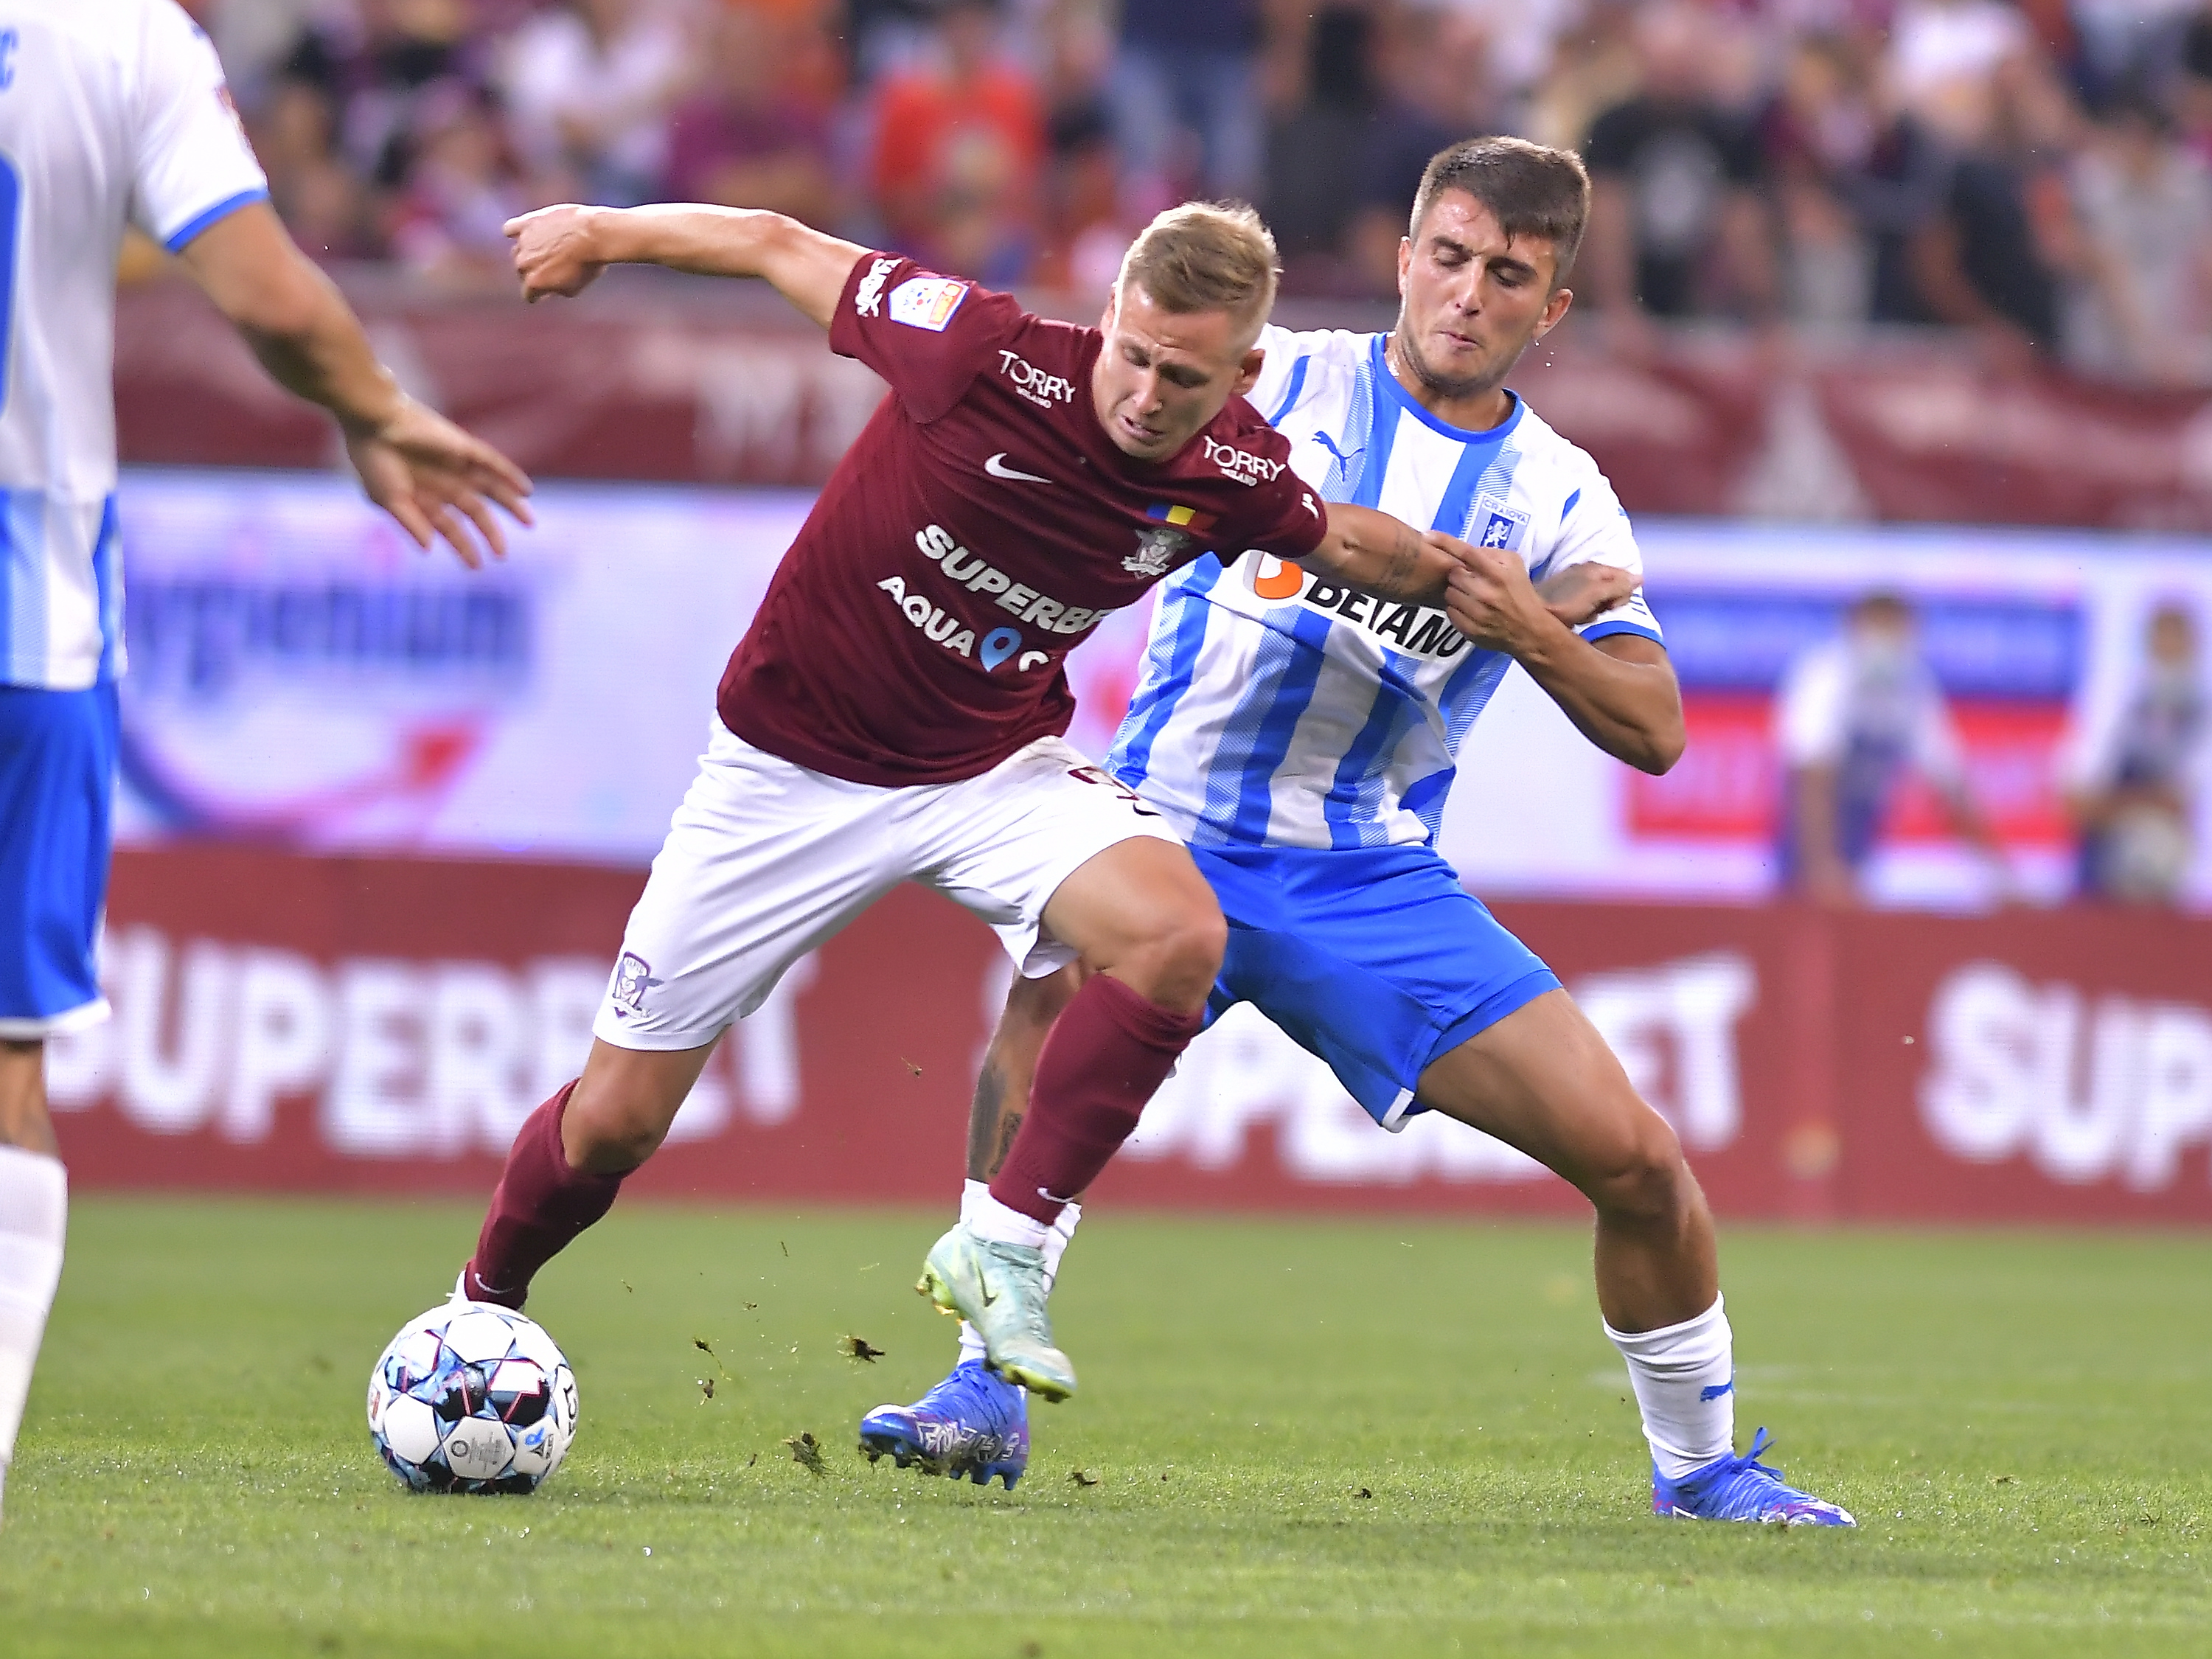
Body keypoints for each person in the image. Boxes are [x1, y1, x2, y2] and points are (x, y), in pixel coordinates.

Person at [868, 137, 1857, 1528]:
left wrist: (1532, 632)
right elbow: (1105, 401)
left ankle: (1700, 1469)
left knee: (1637, 1161)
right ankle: (981, 1388)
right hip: (1164, 827)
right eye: (1446, 258)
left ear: (1551, 307)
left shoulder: (1562, 499)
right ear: (1402, 257)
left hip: (1365, 873)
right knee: (1044, 1010)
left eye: (1507, 274)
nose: (1467, 294)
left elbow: (1657, 727)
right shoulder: (1280, 378)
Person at [456, 194, 1482, 1405]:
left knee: (1178, 934)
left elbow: (1347, 545)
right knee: (616, 1125)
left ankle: (1003, 1244)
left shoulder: (1234, 470)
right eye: (1137, 357)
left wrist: (1501, 594)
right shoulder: (978, 351)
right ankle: (480, 1309)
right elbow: (783, 247)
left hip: (990, 772)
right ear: (1107, 319)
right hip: (785, 775)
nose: (1149, 394)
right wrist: (597, 231)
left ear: (1244, 371)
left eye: (1187, 378)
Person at [0, 0, 532, 1524]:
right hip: (24, 623)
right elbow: (265, 290)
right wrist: (372, 409)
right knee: (6, 1065)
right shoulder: (123, 40)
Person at [1775, 591, 2005, 905]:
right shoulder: (1824, 674)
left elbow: (1951, 787)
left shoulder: (1914, 683)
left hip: (1863, 824)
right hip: (1809, 827)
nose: (1887, 641)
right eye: (1879, 629)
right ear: (1852, 629)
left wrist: (1999, 875)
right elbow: (1812, 778)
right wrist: (1821, 867)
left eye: (1896, 630)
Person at [2062, 601, 2207, 905]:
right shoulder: (2116, 700)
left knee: (2159, 842)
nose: (2171, 654)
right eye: (2163, 643)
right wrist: (2142, 805)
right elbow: (2076, 798)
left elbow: (2183, 802)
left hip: (2173, 869)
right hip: (2103, 860)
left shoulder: (2201, 710)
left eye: (2179, 645)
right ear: (2147, 646)